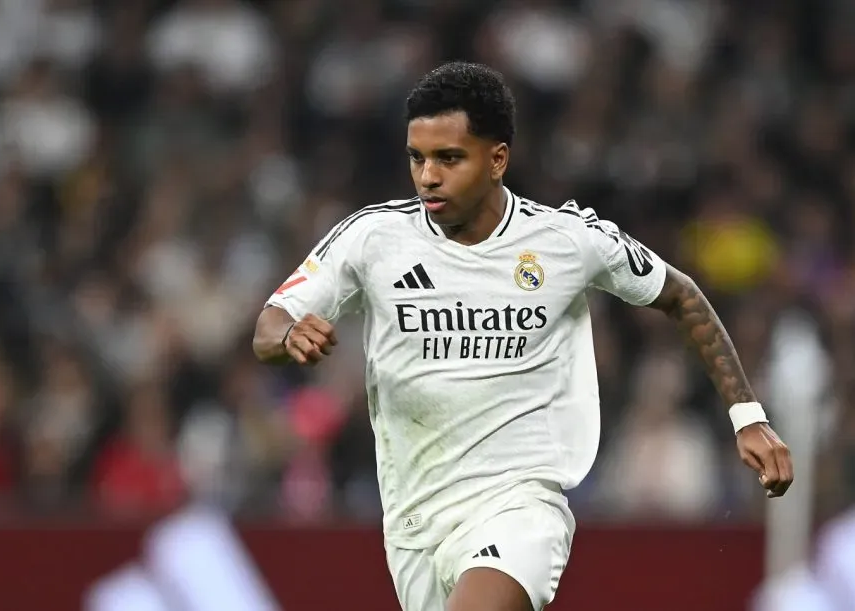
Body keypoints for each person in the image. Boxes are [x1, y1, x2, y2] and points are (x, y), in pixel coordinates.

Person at [253, 61, 794, 611]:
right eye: (417, 158)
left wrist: (748, 418)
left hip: (520, 505)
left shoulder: (566, 241)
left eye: (449, 158)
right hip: (414, 517)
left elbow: (682, 297)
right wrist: (291, 334)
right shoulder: (374, 237)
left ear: (497, 159)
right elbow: (268, 325)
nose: (427, 177)